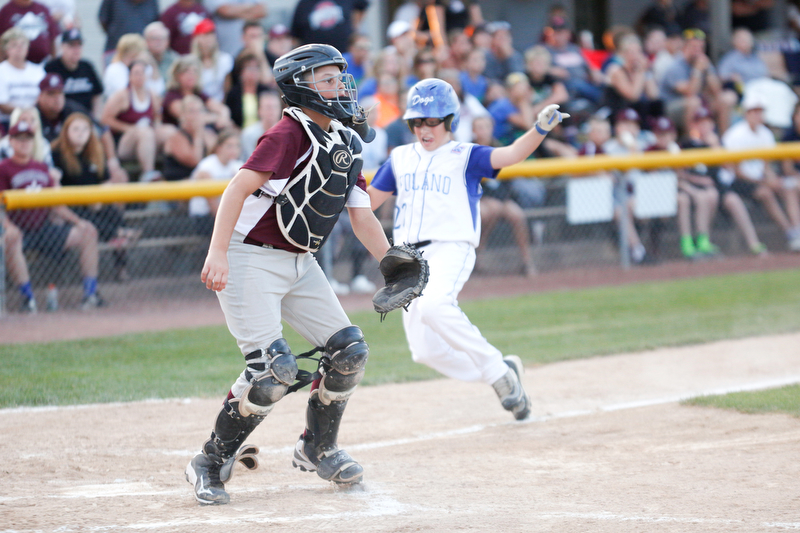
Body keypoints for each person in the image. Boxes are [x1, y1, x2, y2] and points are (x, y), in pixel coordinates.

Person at [185, 43, 392, 505]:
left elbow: (362, 215)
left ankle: (317, 447)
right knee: (270, 372)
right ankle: (209, 460)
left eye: (339, 75)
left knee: (349, 352)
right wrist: (217, 252)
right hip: (246, 257)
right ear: (300, 86)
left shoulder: (342, 139)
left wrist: (390, 263)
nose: (339, 84)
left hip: (299, 260)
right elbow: (237, 189)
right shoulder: (288, 134)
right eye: (326, 77)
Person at [367, 78, 569, 420]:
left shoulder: (466, 155)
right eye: (417, 121)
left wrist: (539, 129)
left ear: (449, 121)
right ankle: (503, 372)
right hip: (407, 260)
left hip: (450, 248)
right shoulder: (399, 157)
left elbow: (512, 154)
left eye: (432, 120)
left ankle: (495, 371)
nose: (424, 128)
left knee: (434, 306)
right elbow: (369, 201)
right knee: (425, 351)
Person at [0, 119, 103, 312]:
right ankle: (27, 299)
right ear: (11, 142)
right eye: (19, 139)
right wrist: (8, 226)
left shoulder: (41, 167)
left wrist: (78, 221)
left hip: (43, 228)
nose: (24, 143)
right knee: (12, 239)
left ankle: (91, 294)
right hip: (18, 229)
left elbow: (55, 205)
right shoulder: (3, 168)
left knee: (88, 231)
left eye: (28, 139)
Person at [50, 111, 138, 280]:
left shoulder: (95, 151)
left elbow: (104, 182)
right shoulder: (57, 153)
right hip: (71, 206)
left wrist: (98, 198)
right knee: (88, 218)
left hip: (95, 203)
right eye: (75, 129)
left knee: (112, 212)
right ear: (66, 132)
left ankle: (121, 267)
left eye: (85, 129)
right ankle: (118, 233)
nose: (81, 133)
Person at [682, 105, 766, 255]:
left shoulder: (718, 143)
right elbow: (682, 172)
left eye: (707, 122)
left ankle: (754, 243)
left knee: (733, 200)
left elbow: (729, 168)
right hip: (696, 187)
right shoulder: (688, 144)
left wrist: (715, 146)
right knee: (708, 196)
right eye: (700, 122)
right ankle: (702, 241)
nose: (704, 126)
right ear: (694, 125)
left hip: (717, 185)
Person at [722, 92, 800, 251]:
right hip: (736, 181)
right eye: (754, 111)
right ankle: (790, 232)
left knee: (788, 187)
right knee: (766, 193)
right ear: (746, 113)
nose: (758, 115)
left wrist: (772, 179)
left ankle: (797, 231)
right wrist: (764, 181)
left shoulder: (765, 133)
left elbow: (767, 166)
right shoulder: (736, 134)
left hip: (758, 178)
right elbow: (734, 170)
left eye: (760, 111)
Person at [471, 114, 535, 277]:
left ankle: (526, 262)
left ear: (491, 129)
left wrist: (499, 199)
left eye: (486, 127)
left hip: (501, 197)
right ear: (473, 131)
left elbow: (509, 180)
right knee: (487, 213)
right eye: (479, 127)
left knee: (518, 216)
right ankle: (478, 257)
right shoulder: (469, 150)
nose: (483, 131)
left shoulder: (499, 148)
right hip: (478, 199)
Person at [100, 60, 171, 183]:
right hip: (124, 143)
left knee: (169, 131)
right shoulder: (122, 95)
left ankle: (172, 170)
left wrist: (157, 126)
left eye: (142, 73)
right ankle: (148, 173)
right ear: (129, 76)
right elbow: (105, 119)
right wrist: (129, 128)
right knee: (144, 132)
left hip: (146, 138)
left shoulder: (151, 94)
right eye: (136, 73)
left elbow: (157, 116)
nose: (140, 76)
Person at [660, 28, 735, 135]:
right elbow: (690, 92)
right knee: (694, 102)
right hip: (672, 107)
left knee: (727, 98)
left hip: (699, 103)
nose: (698, 51)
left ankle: (725, 139)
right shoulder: (675, 66)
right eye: (694, 47)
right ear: (684, 48)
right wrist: (697, 71)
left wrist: (709, 71)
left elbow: (717, 91)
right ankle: (692, 141)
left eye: (701, 48)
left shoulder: (704, 63)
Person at [188, 128, 242, 235]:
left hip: (226, 215)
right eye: (229, 146)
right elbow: (212, 205)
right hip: (204, 217)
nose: (234, 150)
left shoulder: (237, 166)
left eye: (237, 146)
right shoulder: (207, 166)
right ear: (219, 148)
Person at [44, 29, 104, 117]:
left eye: (79, 45)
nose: (76, 49)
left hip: (86, 118)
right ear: (62, 47)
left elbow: (97, 94)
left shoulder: (87, 66)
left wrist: (95, 117)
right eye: (71, 45)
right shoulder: (52, 68)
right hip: (62, 119)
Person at [162, 94, 216, 181]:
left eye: (199, 111)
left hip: (200, 184)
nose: (196, 115)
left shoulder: (208, 134)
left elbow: (214, 160)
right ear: (182, 115)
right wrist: (198, 135)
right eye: (191, 111)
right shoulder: (176, 137)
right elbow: (194, 161)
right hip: (178, 185)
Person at [0, 28, 45, 126]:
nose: (19, 48)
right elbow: (2, 104)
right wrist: (24, 113)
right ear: (6, 49)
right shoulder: (1, 71)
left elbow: (43, 97)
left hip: (35, 121)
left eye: (22, 44)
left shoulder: (38, 71)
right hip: (8, 122)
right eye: (14, 45)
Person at [290, 0, 368, 54]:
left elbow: (361, 6)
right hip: (315, 61)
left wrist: (354, 27)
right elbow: (295, 37)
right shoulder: (303, 4)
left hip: (345, 55)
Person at [0, 0, 59, 64]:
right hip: (14, 64)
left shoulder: (42, 9)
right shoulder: (6, 11)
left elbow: (52, 37)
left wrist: (53, 61)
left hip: (41, 63)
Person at [191, 18, 234, 102]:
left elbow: (227, 89)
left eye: (211, 34)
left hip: (220, 105)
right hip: (198, 105)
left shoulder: (225, 60)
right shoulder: (190, 62)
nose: (209, 38)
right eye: (205, 34)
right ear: (197, 38)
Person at [224, 52, 271, 129]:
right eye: (249, 68)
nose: (253, 72)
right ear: (241, 71)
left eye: (256, 68)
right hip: (239, 133)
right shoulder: (233, 93)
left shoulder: (266, 91)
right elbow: (230, 119)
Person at [240, 89, 282, 159]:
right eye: (268, 107)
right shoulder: (248, 134)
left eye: (275, 107)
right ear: (259, 110)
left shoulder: (287, 133)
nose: (271, 111)